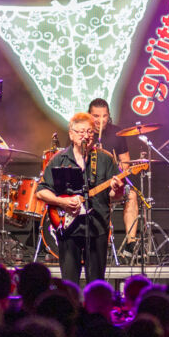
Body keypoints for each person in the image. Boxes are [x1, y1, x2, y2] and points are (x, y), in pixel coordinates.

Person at [37, 112, 124, 285]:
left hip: (97, 228)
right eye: (81, 132)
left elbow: (115, 196)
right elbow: (41, 191)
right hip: (68, 229)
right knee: (69, 282)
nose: (86, 136)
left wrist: (118, 189)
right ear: (71, 134)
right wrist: (63, 202)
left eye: (90, 131)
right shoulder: (59, 159)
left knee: (96, 282)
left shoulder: (105, 159)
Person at [87, 98, 141, 258]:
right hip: (88, 188)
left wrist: (117, 169)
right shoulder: (83, 133)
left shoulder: (117, 133)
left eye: (104, 116)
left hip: (111, 187)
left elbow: (125, 162)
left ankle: (131, 245)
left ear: (109, 115)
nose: (101, 120)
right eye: (96, 116)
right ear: (89, 115)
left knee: (131, 195)